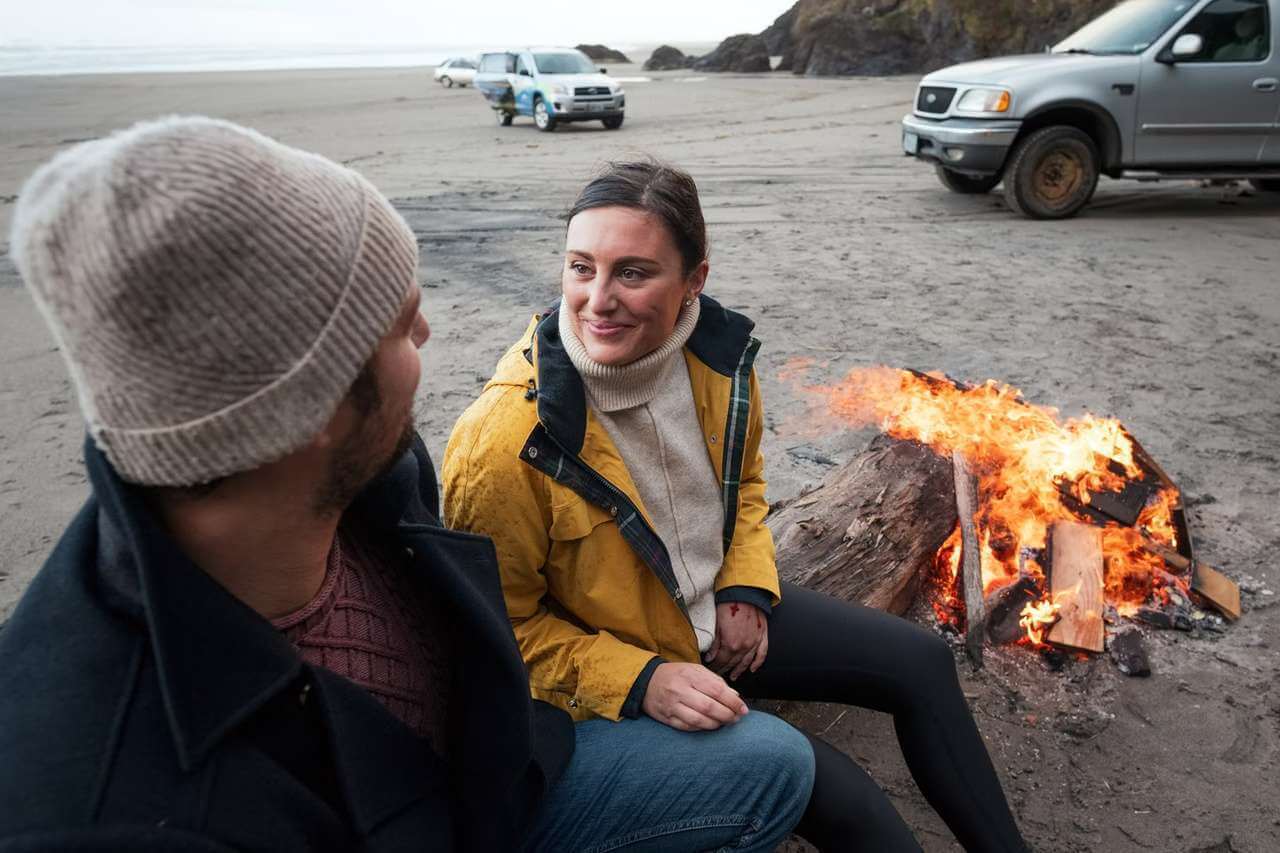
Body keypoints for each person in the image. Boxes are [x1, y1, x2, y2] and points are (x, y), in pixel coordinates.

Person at [0, 120, 813, 851]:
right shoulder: (122, 804)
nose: (426, 334)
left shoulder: (380, 476)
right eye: (398, 324)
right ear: (312, 402)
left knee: (774, 762)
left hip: (508, 764)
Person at [443, 159, 1031, 853]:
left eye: (633, 272)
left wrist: (744, 581)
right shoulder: (509, 441)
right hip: (607, 669)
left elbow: (744, 483)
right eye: (580, 268)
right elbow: (490, 638)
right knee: (828, 780)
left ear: (695, 280)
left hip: (703, 613)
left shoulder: (714, 358)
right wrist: (641, 680)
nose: (596, 299)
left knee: (922, 662)